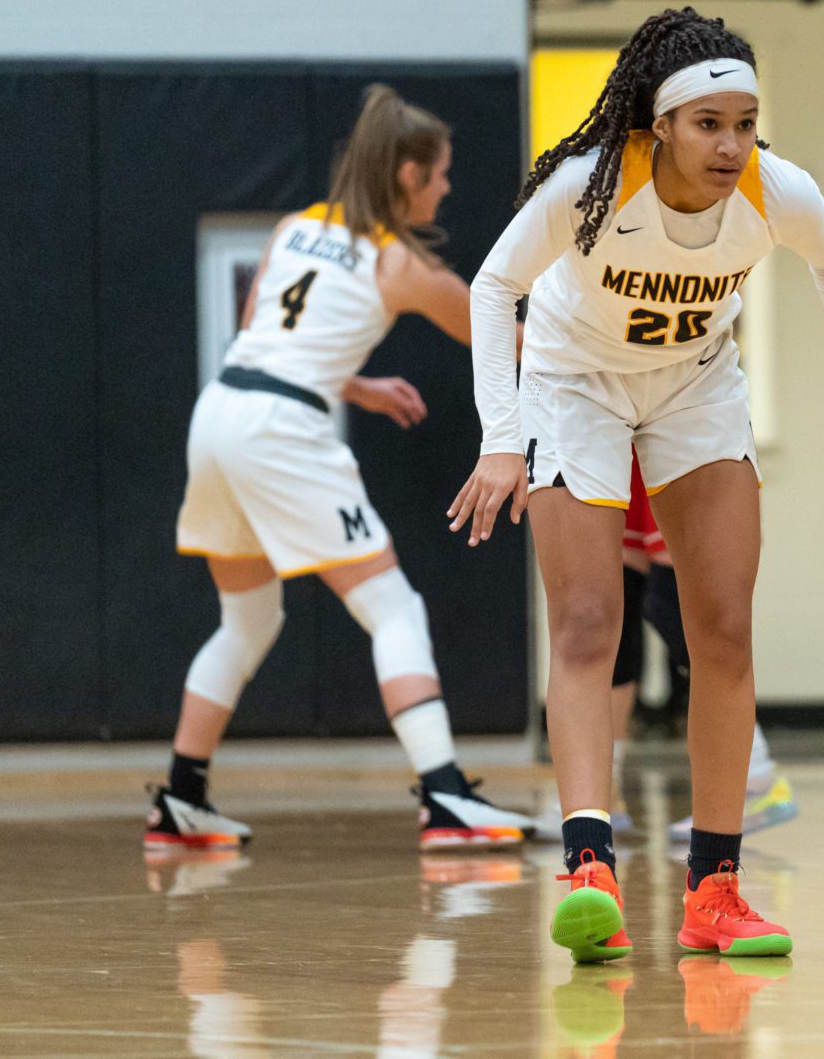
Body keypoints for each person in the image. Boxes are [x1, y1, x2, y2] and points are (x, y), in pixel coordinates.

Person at [448, 8, 824, 964]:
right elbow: (494, 287)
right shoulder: (590, 185)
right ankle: (590, 869)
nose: (732, 144)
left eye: (745, 122)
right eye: (709, 125)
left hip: (696, 382)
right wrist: (502, 440)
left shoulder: (777, 190)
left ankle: (716, 887)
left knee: (724, 628)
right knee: (587, 624)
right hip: (575, 384)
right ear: (659, 124)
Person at [149, 85, 537, 853]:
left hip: (222, 409)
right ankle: (446, 795)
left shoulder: (297, 226)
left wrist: (352, 382)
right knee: (394, 608)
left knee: (249, 619)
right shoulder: (399, 265)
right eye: (441, 174)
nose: (449, 187)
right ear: (406, 177)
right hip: (282, 431)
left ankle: (181, 796)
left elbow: (259, 324)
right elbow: (503, 335)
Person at [536, 458, 801, 841]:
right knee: (608, 606)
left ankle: (755, 777)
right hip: (608, 433)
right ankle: (602, 789)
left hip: (661, 427)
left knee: (673, 599)